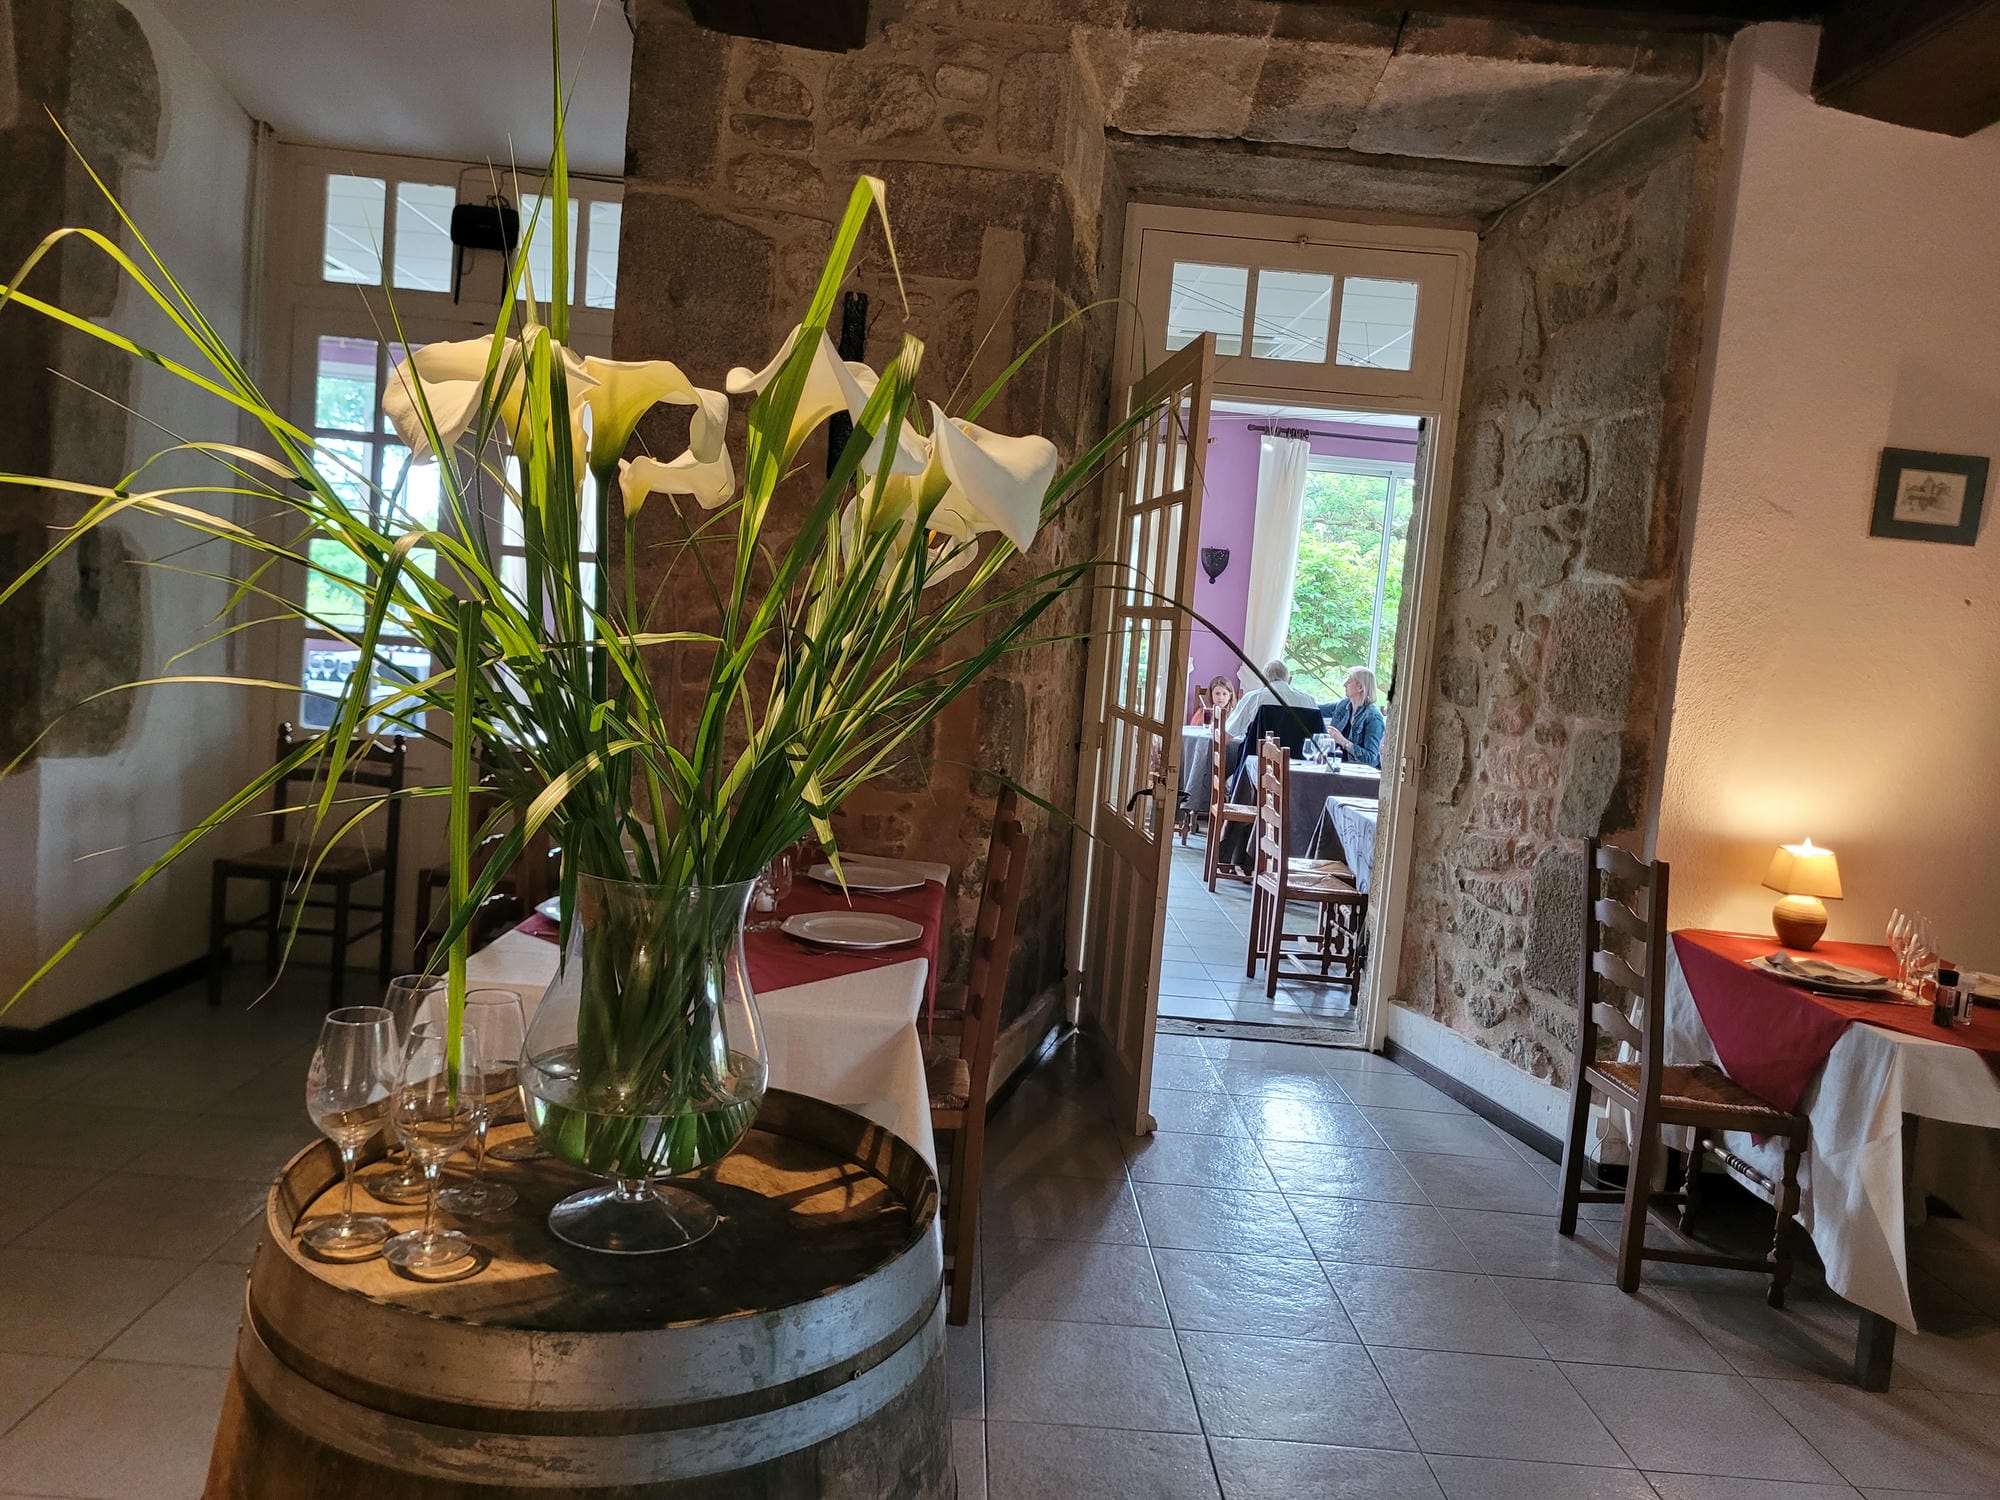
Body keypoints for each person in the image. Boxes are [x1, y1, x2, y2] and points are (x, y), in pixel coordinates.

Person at [1223, 659, 1320, 738]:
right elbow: (1319, 736)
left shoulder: (1253, 698)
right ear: (1289, 680)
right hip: (1301, 759)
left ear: (1263, 680)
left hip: (1259, 758)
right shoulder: (1309, 700)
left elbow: (1229, 733)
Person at [1325, 665, 1386, 768]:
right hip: (1338, 767)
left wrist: (1343, 741)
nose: (1344, 685)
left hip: (1362, 775)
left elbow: (1371, 758)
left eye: (1349, 682)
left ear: (1360, 687)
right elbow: (1316, 707)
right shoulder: (1343, 705)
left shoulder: (1373, 717)